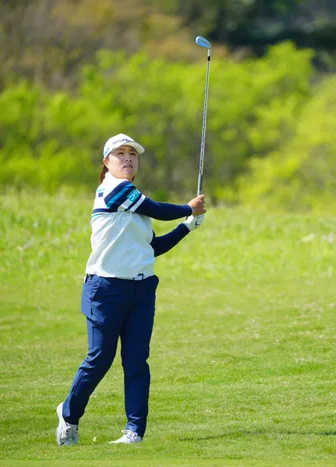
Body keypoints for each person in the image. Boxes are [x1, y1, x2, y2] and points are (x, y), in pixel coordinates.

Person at [56, 133, 206, 445]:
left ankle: (134, 431)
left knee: (136, 360)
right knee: (100, 358)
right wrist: (187, 208)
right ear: (106, 162)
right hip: (105, 288)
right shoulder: (113, 190)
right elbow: (159, 209)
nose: (127, 158)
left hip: (141, 290)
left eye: (132, 154)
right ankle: (69, 416)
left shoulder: (135, 207)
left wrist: (187, 226)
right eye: (120, 153)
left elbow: (153, 247)